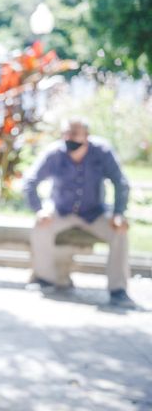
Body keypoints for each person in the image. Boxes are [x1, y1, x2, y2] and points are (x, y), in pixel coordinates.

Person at [22, 117, 134, 307]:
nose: (69, 138)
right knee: (40, 227)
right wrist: (39, 210)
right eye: (66, 133)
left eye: (74, 134)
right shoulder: (55, 153)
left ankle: (118, 290)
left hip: (94, 211)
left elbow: (120, 182)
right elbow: (29, 181)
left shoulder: (102, 152)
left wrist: (118, 213)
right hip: (61, 209)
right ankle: (45, 279)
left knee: (120, 233)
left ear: (86, 136)